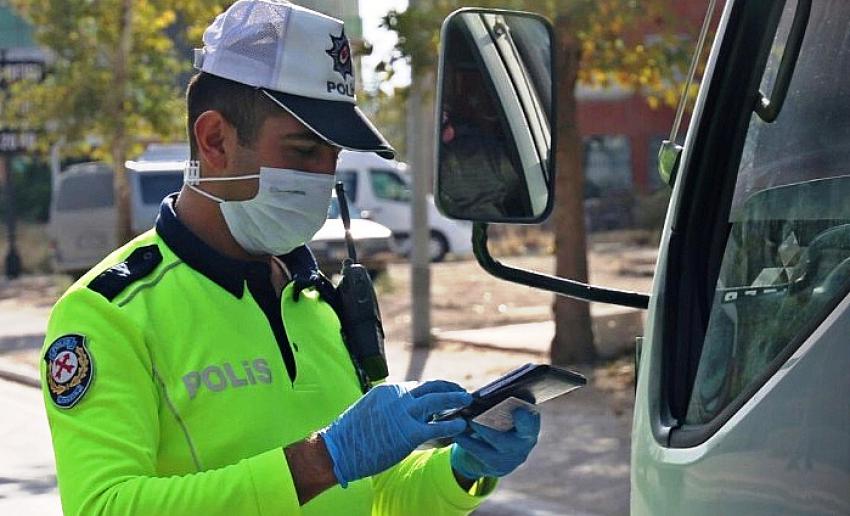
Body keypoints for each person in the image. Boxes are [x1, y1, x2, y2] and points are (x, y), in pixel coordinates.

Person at [40, 1, 541, 515]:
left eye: (334, 157)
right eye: (304, 152)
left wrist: (462, 471)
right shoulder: (109, 315)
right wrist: (323, 460)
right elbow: (103, 507)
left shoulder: (316, 298)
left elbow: (377, 497)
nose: (324, 178)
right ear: (214, 140)